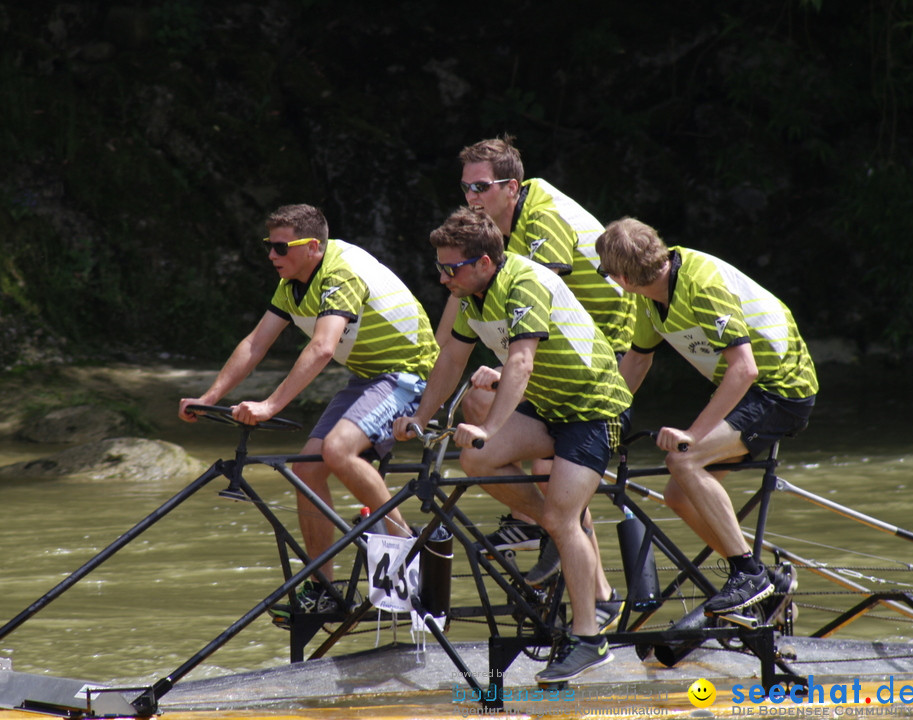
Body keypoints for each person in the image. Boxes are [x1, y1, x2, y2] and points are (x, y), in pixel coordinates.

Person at [393, 207, 632, 684]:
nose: (442, 278)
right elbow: (451, 361)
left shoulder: (524, 280)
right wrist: (419, 417)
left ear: (483, 262)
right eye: (438, 268)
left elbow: (520, 362)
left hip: (594, 408)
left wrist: (489, 424)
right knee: (476, 460)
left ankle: (589, 640)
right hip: (549, 409)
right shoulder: (471, 296)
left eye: (450, 268)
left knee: (563, 518)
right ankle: (556, 532)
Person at [178, 204, 439, 620]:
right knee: (308, 471)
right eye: (269, 246)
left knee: (337, 451)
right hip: (368, 379)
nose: (272, 256)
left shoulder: (340, 273)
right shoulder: (292, 283)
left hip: (413, 377)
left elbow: (322, 347)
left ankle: (407, 551)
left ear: (313, 246)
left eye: (281, 247)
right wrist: (210, 397)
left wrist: (269, 406)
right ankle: (324, 590)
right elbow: (255, 344)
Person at [595, 217, 818, 617]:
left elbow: (744, 369)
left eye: (606, 273)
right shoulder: (648, 298)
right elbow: (636, 361)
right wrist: (600, 419)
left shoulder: (701, 284)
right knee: (678, 494)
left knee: (683, 458)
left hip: (781, 390)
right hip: (749, 389)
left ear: (623, 279)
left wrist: (692, 435)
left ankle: (749, 576)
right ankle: (764, 582)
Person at [448, 136, 635, 613]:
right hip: (552, 337)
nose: (471, 197)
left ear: (511, 187)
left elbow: (533, 297)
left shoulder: (541, 216)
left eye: (481, 187)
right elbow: (460, 309)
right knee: (477, 403)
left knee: (558, 462)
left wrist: (509, 359)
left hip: (601, 340)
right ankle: (561, 543)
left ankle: (583, 578)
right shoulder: (493, 230)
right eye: (466, 187)